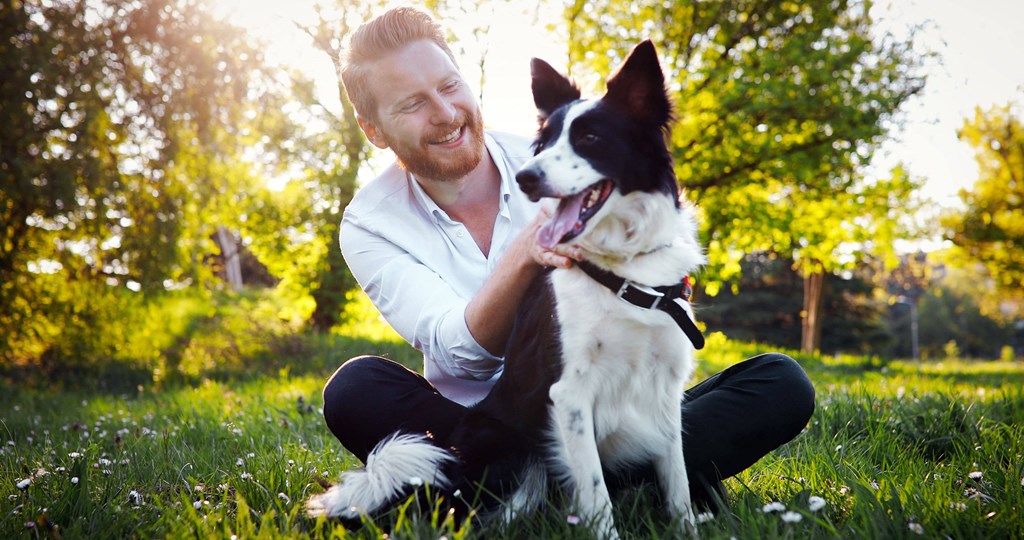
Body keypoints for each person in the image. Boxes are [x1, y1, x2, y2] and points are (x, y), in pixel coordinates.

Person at [322, 6, 814, 512]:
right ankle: (582, 483)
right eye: (412, 104)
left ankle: (503, 493)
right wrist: (526, 253)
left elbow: (649, 255)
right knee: (355, 388)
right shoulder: (370, 224)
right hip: (479, 424)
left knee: (780, 382)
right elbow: (460, 352)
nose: (445, 113)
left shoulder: (566, 154)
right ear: (374, 130)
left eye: (449, 86)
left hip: (613, 411)